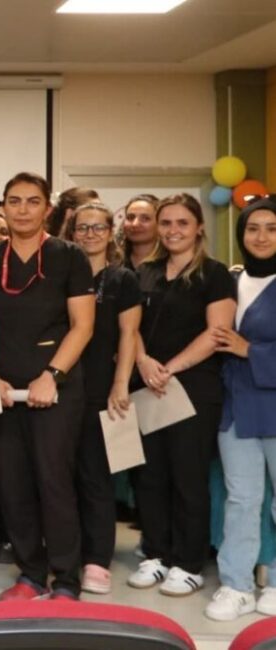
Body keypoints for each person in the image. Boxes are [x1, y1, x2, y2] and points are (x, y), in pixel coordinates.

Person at [0, 172, 95, 601]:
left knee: (54, 483)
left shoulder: (69, 256)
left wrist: (51, 376)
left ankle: (66, 578)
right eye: (14, 201)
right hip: (2, 389)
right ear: (5, 206)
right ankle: (31, 573)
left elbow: (83, 326)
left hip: (56, 389)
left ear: (47, 208)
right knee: (13, 485)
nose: (23, 210)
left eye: (33, 201)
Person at [128, 194, 235, 597]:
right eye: (167, 222)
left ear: (198, 227)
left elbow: (217, 333)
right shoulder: (146, 272)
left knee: (188, 478)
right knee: (150, 477)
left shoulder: (215, 274)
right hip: (148, 385)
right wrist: (142, 362)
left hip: (193, 389)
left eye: (183, 223)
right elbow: (130, 327)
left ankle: (189, 563)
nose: (174, 230)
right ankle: (155, 555)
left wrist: (170, 368)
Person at [63, 202, 142, 595]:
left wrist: (120, 383)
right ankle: (65, 552)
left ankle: (96, 561)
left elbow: (129, 335)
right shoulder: (61, 272)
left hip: (101, 387)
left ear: (111, 233)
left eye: (98, 228)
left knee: (95, 477)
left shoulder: (123, 279)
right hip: (61, 387)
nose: (90, 234)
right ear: (72, 232)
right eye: (82, 228)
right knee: (60, 476)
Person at [205, 197, 276, 621]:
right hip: (235, 408)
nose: (262, 236)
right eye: (253, 228)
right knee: (242, 498)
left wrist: (250, 349)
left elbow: (241, 345)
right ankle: (236, 584)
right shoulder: (228, 282)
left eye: (271, 227)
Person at [122, 194, 159, 270]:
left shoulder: (171, 263)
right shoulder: (112, 263)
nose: (135, 224)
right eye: (130, 218)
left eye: (145, 218)